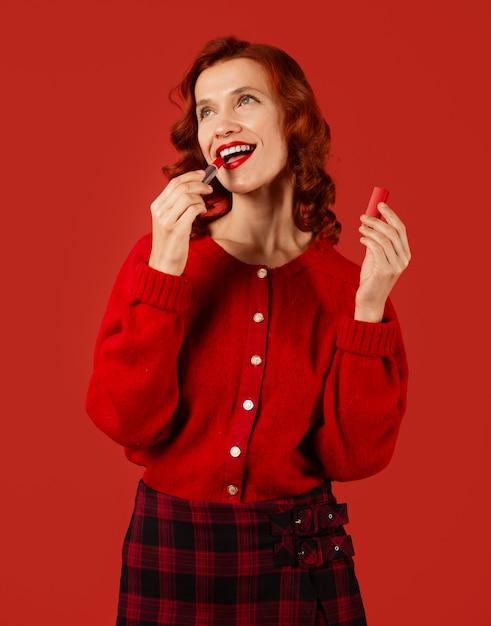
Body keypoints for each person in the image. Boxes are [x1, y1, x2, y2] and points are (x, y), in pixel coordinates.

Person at [86, 35, 410, 626]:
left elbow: (355, 457)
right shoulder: (164, 256)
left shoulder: (347, 288)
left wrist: (368, 310)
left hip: (298, 554)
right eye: (207, 111)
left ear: (295, 120)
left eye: (245, 101)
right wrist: (163, 270)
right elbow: (125, 422)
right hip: (172, 547)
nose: (221, 124)